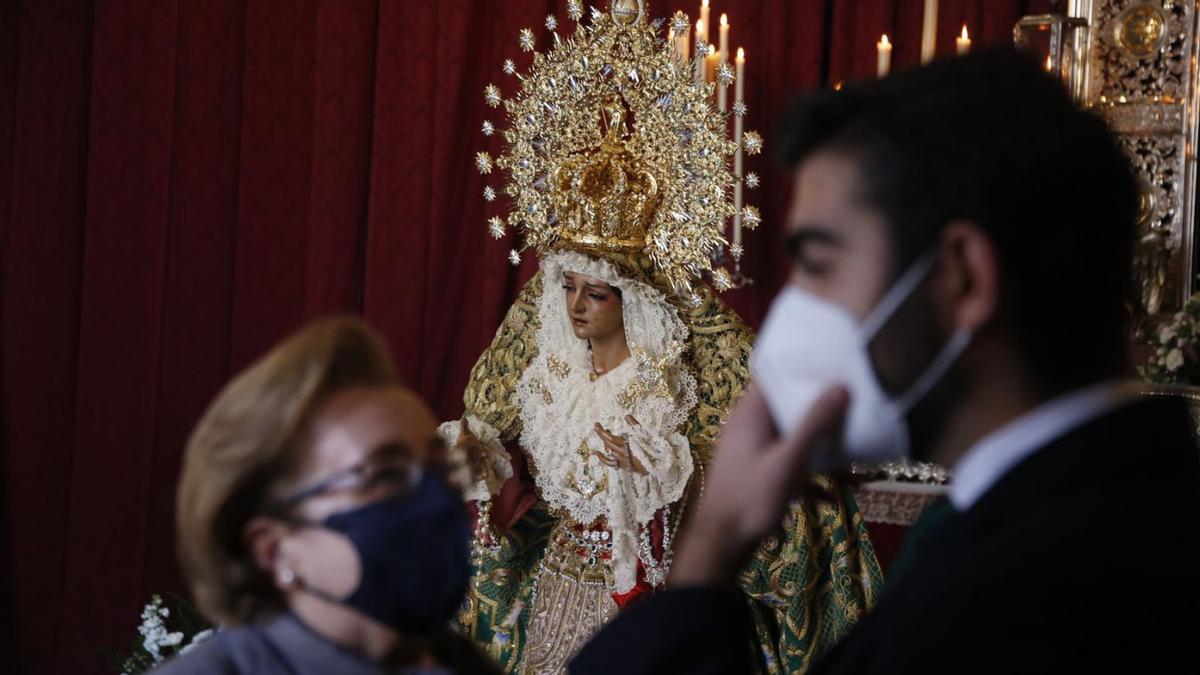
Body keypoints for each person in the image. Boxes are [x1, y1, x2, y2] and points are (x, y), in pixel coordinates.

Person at [571, 50, 1200, 674]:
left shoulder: (1025, 606)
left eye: (819, 266)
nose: (792, 314)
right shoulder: (1089, 514)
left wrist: (708, 551)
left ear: (964, 279)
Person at [447, 2, 882, 672]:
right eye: (567, 289)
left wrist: (660, 472)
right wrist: (483, 458)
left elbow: (738, 471)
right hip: (556, 582)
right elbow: (510, 464)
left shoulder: (677, 375)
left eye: (596, 293)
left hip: (642, 592)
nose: (575, 308)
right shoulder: (547, 374)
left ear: (633, 299)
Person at [155, 317, 500, 674]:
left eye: (440, 468)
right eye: (386, 474)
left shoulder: (462, 663)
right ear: (274, 551)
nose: (435, 497)